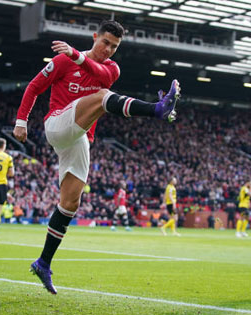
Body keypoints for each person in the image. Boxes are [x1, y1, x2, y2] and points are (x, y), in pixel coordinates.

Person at [12, 20, 181, 295]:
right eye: (105, 42)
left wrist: (76, 55)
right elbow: (33, 87)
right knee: (103, 97)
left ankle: (43, 262)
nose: (109, 50)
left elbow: (95, 70)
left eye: (114, 46)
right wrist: (21, 121)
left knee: (70, 202)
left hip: (79, 138)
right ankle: (157, 109)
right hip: (56, 124)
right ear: (95, 37)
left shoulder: (110, 69)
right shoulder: (63, 61)